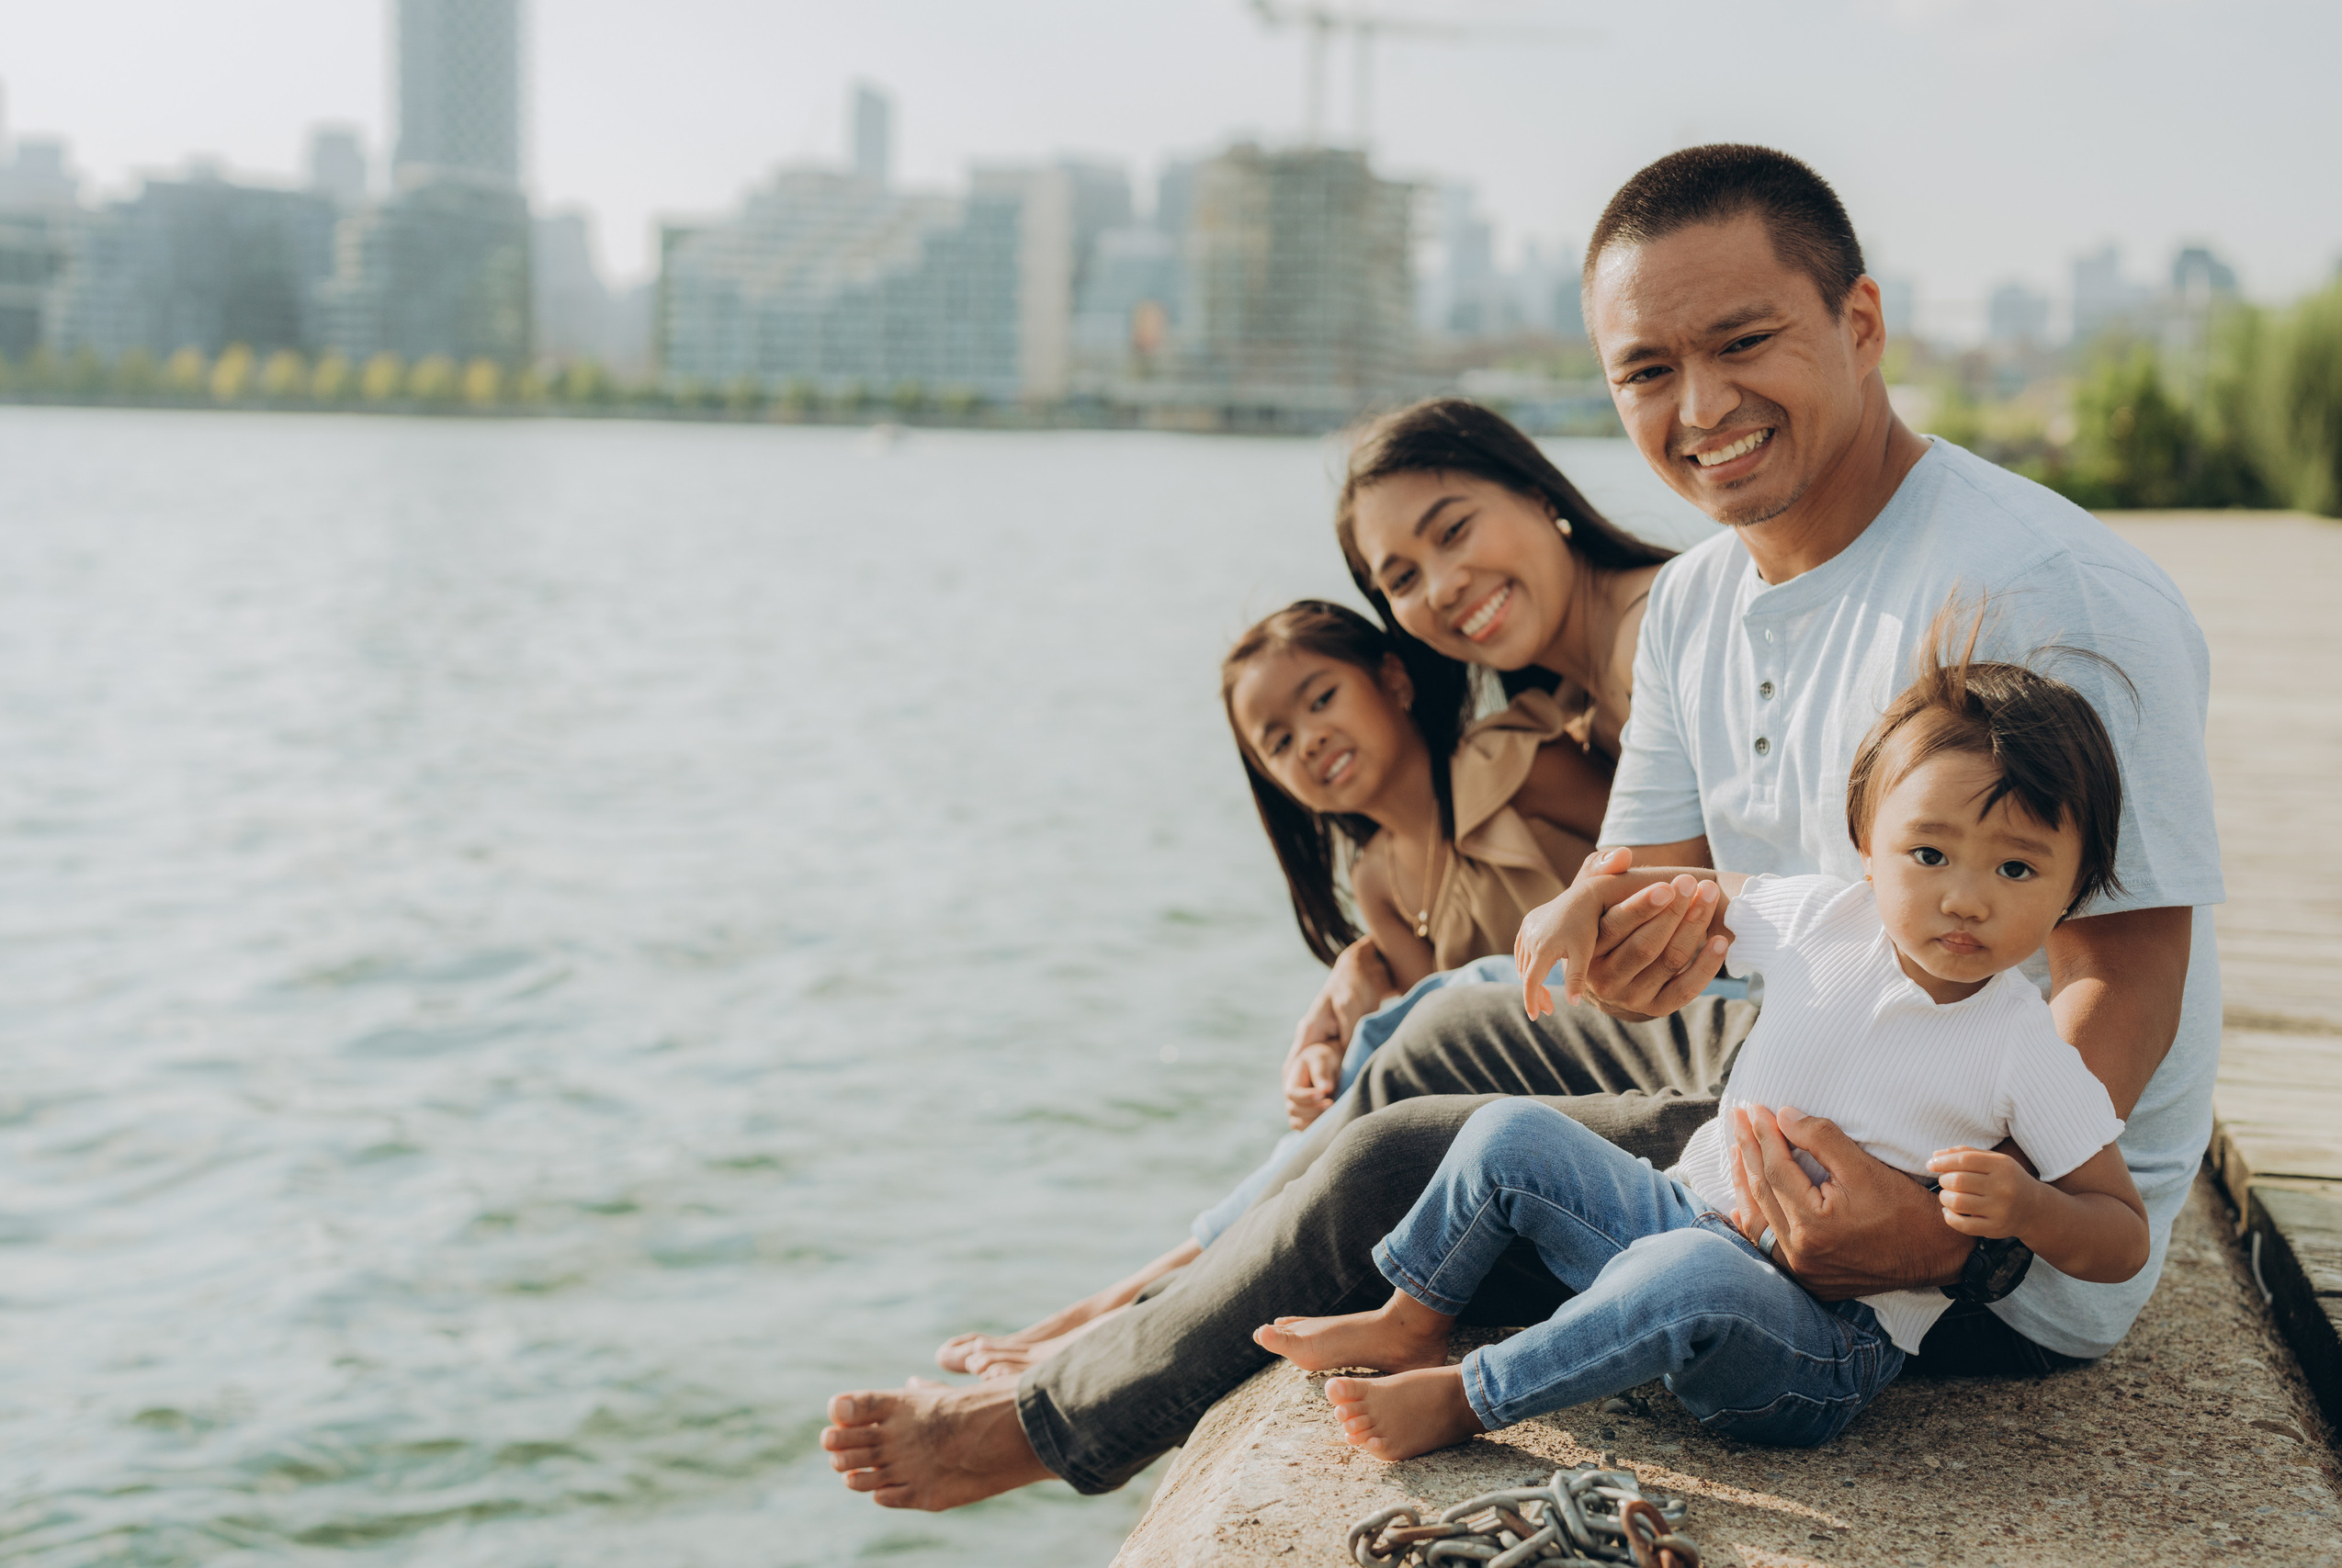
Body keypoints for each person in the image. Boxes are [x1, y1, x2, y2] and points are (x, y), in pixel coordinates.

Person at [822, 143, 2220, 1512]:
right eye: (1646, 371)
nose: (1701, 405)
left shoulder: (2045, 592)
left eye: (1745, 341)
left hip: (1970, 1230)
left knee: (1405, 1155)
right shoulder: (1696, 600)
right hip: (1805, 1071)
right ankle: (1141, 1293)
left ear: (1861, 323)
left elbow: (2124, 972)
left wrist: (1941, 1236)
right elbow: (1647, 885)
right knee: (1438, 1023)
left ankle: (1040, 1425)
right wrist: (1591, 929)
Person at [1255, 615, 2151, 1458]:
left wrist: (2032, 1210)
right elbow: (1679, 888)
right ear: (1867, 845)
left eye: (2016, 866)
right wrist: (1585, 902)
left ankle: (1469, 1398)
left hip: (1823, 1344)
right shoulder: (1818, 917)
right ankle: (1412, 1317)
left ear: (2073, 890)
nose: (1964, 896)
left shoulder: (2021, 1045)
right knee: (1508, 1131)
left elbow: (2119, 1235)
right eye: (1929, 853)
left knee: (1690, 1274)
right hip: (1687, 1215)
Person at [935, 406, 1677, 1380]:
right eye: (1276, 743)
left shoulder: (1517, 755)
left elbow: (1645, 860)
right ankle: (1147, 1294)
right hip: (1545, 1086)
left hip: (1642, 1032)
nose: (1310, 741)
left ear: (1392, 682)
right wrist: (1353, 985)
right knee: (1379, 1070)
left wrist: (1364, 1007)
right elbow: (1425, 1066)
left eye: (1322, 701)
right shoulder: (1377, 885)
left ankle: (1128, 1305)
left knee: (1401, 1034)